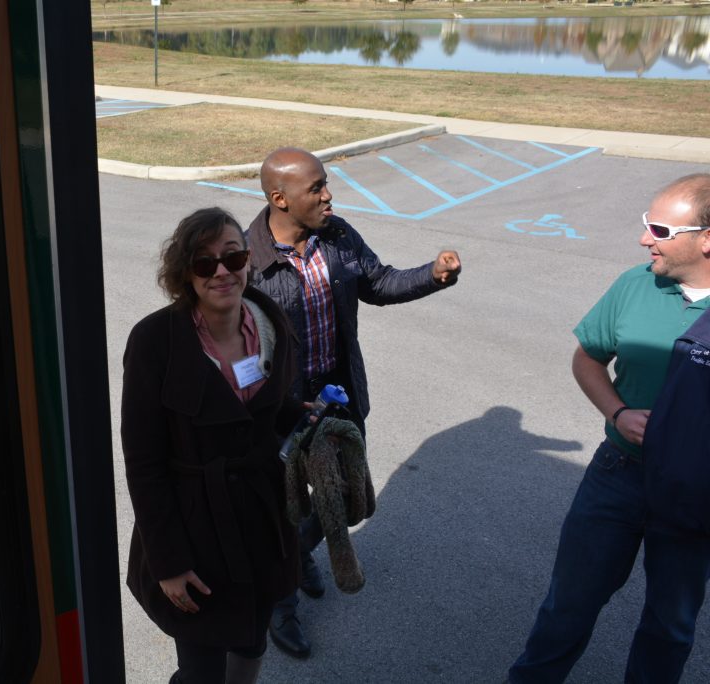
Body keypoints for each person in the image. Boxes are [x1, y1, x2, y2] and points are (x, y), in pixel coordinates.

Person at [246, 147, 462, 658]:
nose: (329, 195)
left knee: (343, 498)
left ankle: (298, 556)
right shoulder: (249, 260)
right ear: (280, 198)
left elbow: (378, 282)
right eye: (316, 188)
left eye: (326, 183)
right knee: (282, 510)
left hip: (337, 397)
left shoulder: (338, 236)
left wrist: (433, 275)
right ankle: (281, 605)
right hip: (280, 410)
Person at [508, 173, 710, 683]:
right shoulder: (635, 284)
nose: (644, 239)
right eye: (647, 225)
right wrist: (618, 413)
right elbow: (588, 358)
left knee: (670, 626)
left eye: (659, 230)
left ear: (707, 239)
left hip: (695, 491)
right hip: (617, 473)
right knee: (568, 604)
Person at [121, 207, 306, 684]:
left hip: (263, 520)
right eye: (205, 262)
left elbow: (264, 409)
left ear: (248, 260)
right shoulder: (153, 341)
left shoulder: (270, 322)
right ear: (186, 273)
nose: (222, 271)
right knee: (201, 666)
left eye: (233, 257)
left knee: (252, 640)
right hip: (195, 528)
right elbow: (143, 463)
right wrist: (168, 561)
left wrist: (304, 417)